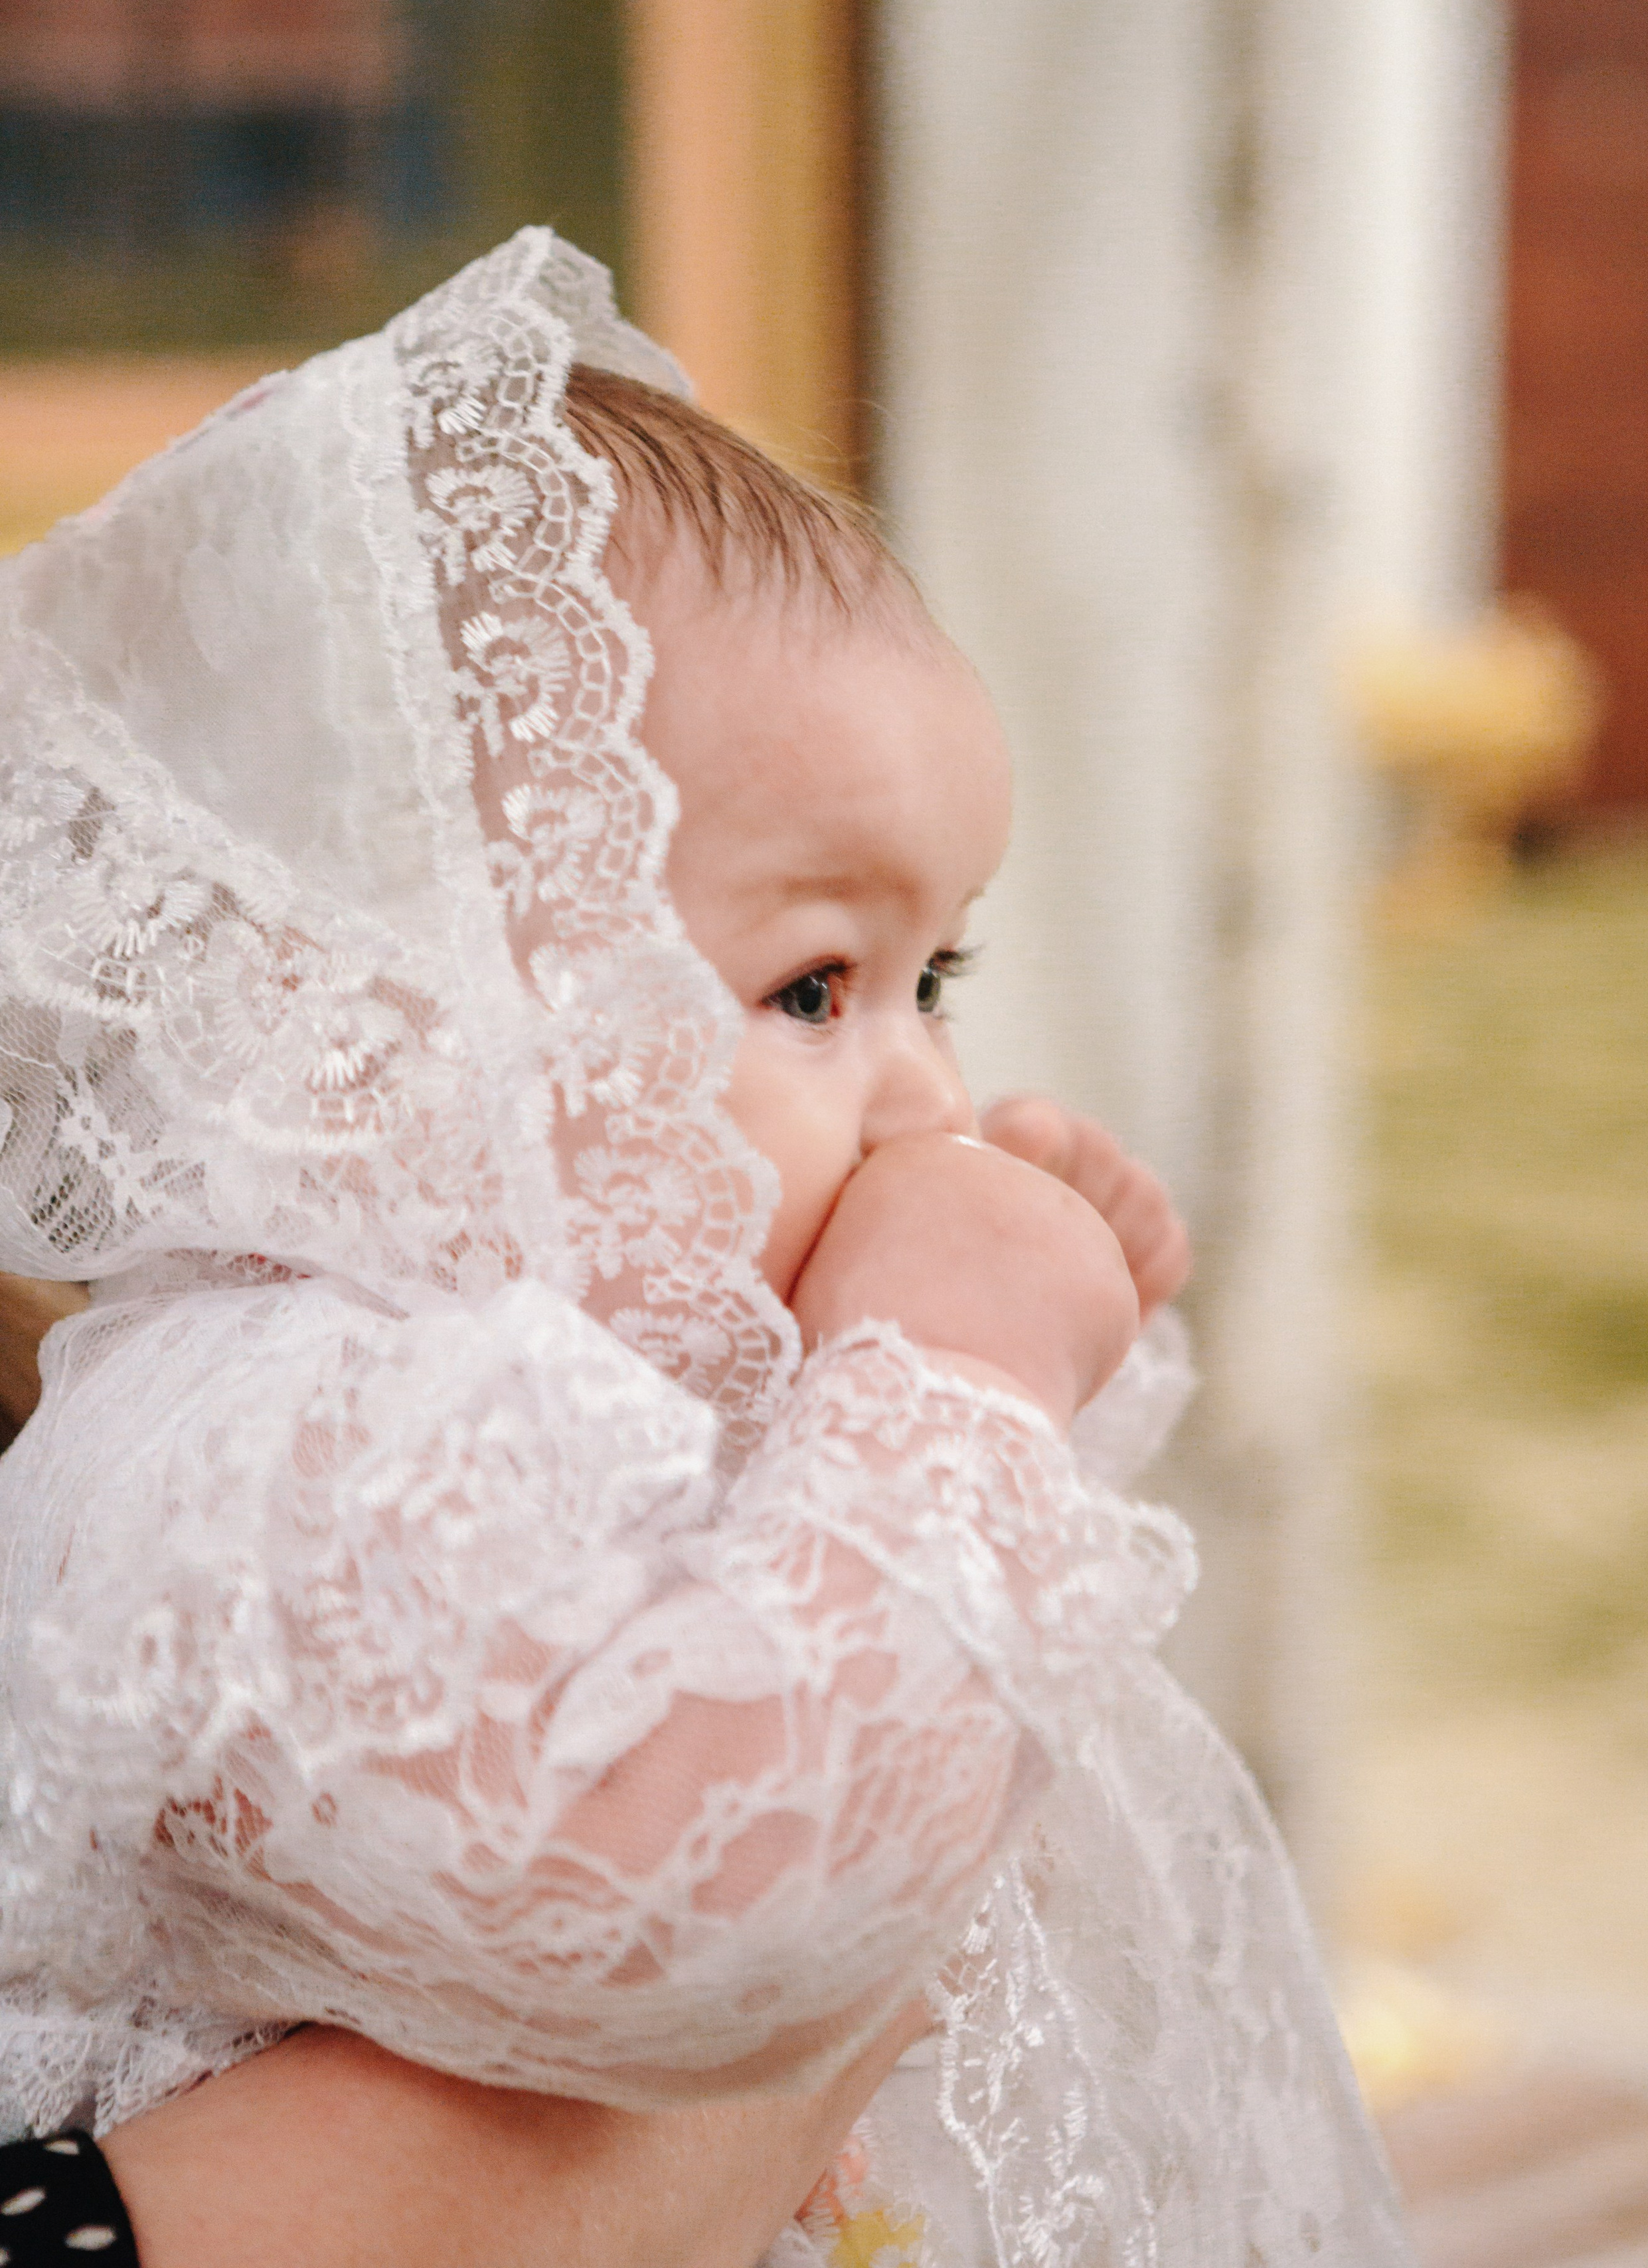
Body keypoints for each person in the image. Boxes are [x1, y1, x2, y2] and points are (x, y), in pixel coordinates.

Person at [0, 232, 1410, 2266]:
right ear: (385, 1026)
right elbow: (697, 1894)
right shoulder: (265, 1451)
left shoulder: (613, 1373)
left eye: (945, 975)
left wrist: (1037, 1323)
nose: (926, 1092)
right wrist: (957, 1367)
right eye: (820, 989)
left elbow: (945, 1623)